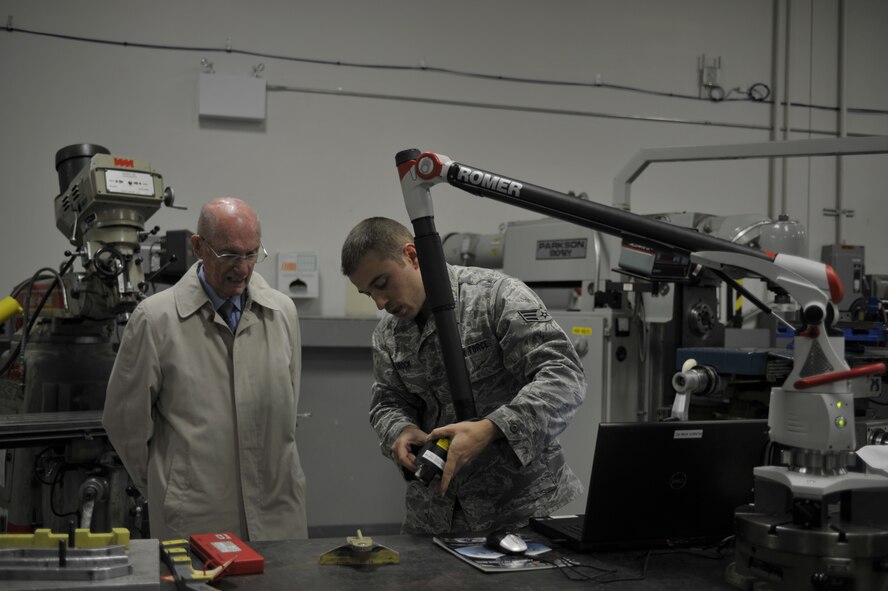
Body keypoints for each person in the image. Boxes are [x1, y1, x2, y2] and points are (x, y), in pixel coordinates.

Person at [341, 217, 586, 534]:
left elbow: (565, 378)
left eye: (382, 283)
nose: (380, 302)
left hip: (521, 513)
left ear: (412, 256)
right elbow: (387, 401)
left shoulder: (496, 298)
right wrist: (399, 430)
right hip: (434, 519)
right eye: (367, 293)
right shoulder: (388, 335)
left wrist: (491, 428)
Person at [103, 197, 307, 541]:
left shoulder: (282, 312)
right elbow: (125, 424)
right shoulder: (155, 319)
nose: (242, 268)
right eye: (229, 254)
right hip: (196, 517)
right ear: (199, 247)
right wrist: (169, 484)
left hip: (277, 511)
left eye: (251, 254)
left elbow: (288, 404)